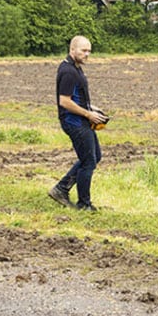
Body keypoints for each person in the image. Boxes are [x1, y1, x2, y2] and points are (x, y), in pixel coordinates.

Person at [49, 35, 107, 211]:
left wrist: (92, 109)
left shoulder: (76, 68)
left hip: (80, 119)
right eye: (83, 50)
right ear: (72, 49)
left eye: (89, 50)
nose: (87, 54)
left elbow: (76, 97)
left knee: (95, 156)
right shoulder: (68, 71)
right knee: (89, 161)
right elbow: (65, 101)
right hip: (74, 122)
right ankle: (84, 204)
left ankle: (61, 188)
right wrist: (88, 114)